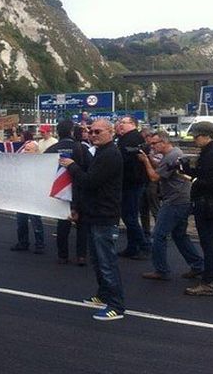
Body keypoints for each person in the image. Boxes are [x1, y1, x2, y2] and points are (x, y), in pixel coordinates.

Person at [60, 119, 125, 321]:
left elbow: (89, 181)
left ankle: (116, 305)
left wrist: (72, 166)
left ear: (110, 132)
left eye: (98, 131)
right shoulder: (101, 153)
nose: (93, 134)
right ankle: (103, 295)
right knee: (98, 261)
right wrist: (79, 208)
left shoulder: (111, 155)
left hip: (105, 215)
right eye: (90, 130)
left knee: (107, 263)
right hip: (94, 213)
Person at [137, 131, 203, 281]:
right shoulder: (174, 153)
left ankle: (161, 269)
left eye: (154, 143)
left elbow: (154, 177)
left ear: (164, 142)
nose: (152, 146)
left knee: (159, 235)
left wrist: (145, 162)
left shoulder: (172, 156)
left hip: (175, 201)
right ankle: (198, 265)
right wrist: (149, 158)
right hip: (182, 199)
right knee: (179, 235)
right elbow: (162, 167)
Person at [46, 120, 91, 265]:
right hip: (80, 190)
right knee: (82, 225)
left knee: (63, 223)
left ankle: (62, 255)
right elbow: (90, 169)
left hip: (61, 191)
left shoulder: (52, 149)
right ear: (72, 131)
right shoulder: (81, 148)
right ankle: (81, 256)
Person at [181, 122, 213, 296]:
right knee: (212, 242)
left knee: (208, 243)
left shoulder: (211, 154)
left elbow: (210, 180)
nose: (194, 139)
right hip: (209, 203)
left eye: (196, 136)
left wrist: (192, 179)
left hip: (207, 203)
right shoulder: (210, 151)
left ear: (206, 135)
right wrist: (188, 169)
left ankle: (208, 282)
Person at [116, 116, 150, 260]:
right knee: (129, 216)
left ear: (133, 124)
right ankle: (132, 247)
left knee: (129, 217)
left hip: (132, 182)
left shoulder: (132, 139)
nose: (120, 125)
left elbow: (124, 160)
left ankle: (144, 246)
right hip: (131, 182)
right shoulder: (130, 138)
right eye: (120, 122)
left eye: (124, 123)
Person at [11, 141, 45, 254]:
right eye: (25, 149)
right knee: (21, 221)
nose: (25, 151)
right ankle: (23, 242)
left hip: (34, 197)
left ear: (36, 152)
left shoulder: (41, 165)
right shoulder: (21, 163)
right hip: (22, 196)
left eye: (28, 149)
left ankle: (40, 244)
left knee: (36, 221)